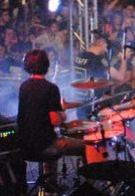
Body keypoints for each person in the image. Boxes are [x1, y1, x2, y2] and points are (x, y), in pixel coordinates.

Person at [16, 49, 84, 184]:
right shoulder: (51, 88)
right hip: (44, 145)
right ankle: (85, 185)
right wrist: (63, 112)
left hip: (25, 144)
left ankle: (49, 186)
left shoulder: (24, 86)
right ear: (46, 66)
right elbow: (55, 120)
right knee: (86, 145)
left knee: (50, 139)